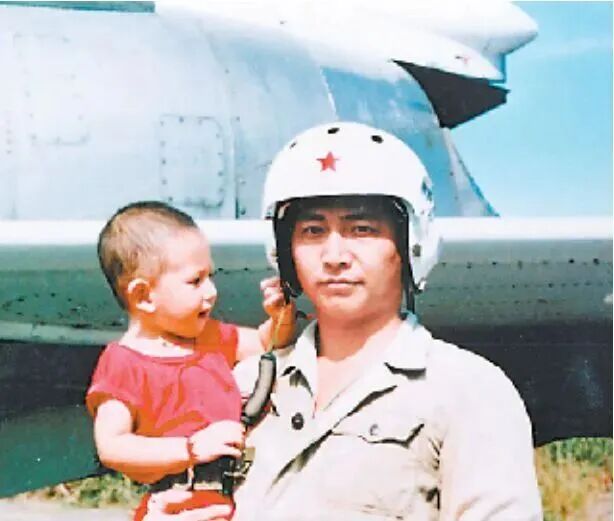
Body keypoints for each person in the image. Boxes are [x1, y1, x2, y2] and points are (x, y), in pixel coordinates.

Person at [229, 122, 543, 520]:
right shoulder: (248, 385)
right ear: (285, 250)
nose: (334, 256)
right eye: (312, 231)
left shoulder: (468, 390)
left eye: (362, 229)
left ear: (411, 243)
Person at [85, 201, 294, 521]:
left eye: (210, 276)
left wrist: (281, 317)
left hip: (238, 501)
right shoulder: (123, 363)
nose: (211, 291)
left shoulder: (210, 338)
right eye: (195, 281)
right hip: (178, 506)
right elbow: (112, 446)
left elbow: (267, 345)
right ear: (143, 296)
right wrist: (189, 449)